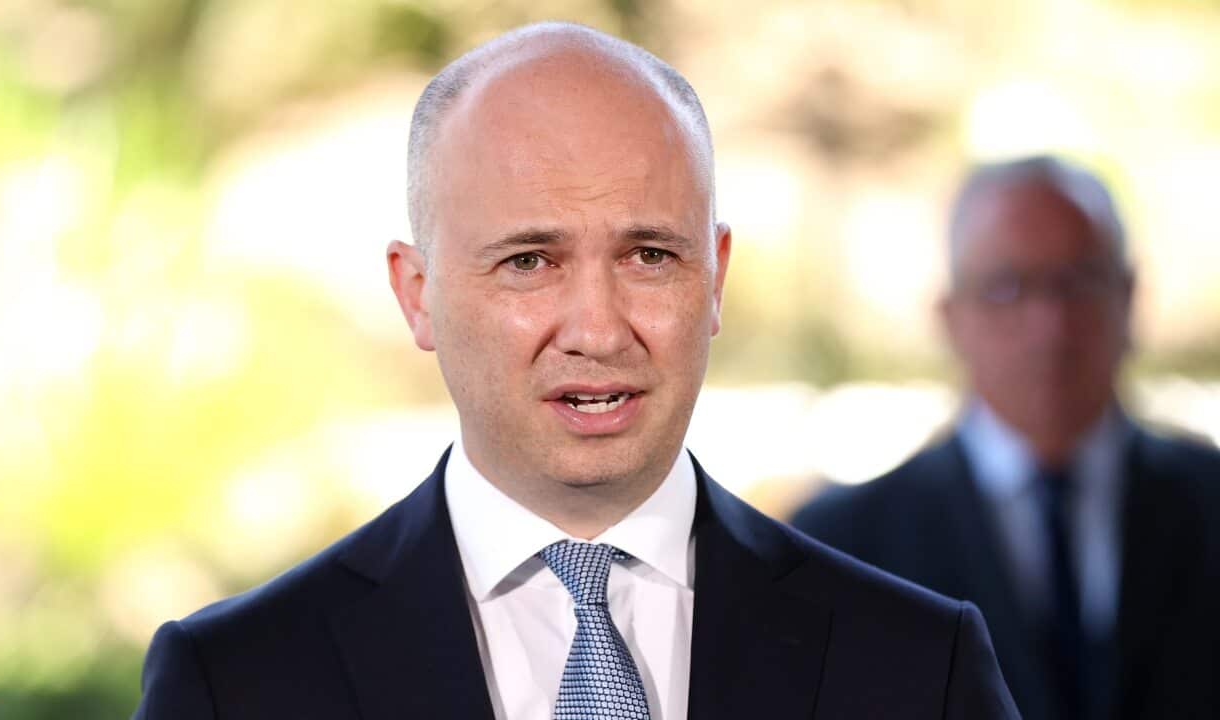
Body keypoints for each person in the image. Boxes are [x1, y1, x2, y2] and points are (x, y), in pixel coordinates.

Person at [133, 22, 1020, 719]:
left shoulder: (915, 667)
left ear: (715, 278)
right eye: (529, 261)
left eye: (648, 256)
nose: (598, 328)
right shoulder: (238, 684)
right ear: (417, 295)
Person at [793, 155, 1220, 720]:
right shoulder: (840, 549)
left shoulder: (1210, 504)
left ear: (1130, 297)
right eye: (1008, 287)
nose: (1051, 324)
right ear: (950, 318)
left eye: (1079, 281)